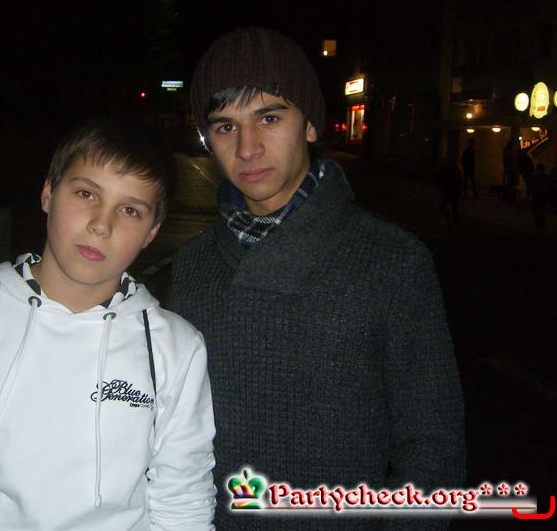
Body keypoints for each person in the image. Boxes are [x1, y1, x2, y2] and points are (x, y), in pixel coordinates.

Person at [170, 27, 465, 530]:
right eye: (225, 126)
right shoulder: (194, 264)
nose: (247, 147)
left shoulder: (392, 262)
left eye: (269, 118)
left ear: (309, 124)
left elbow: (431, 448)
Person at [0, 116, 216, 530]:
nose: (101, 224)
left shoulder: (175, 350)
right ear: (48, 192)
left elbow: (182, 504)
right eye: (86, 193)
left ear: (151, 232)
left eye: (129, 210)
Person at [437, 156, 463, 224]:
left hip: (448, 189)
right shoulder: (456, 170)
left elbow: (438, 177)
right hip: (452, 190)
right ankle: (454, 221)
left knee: (444, 205)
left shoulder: (445, 168)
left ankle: (449, 219)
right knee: (453, 206)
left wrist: (438, 185)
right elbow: (460, 181)